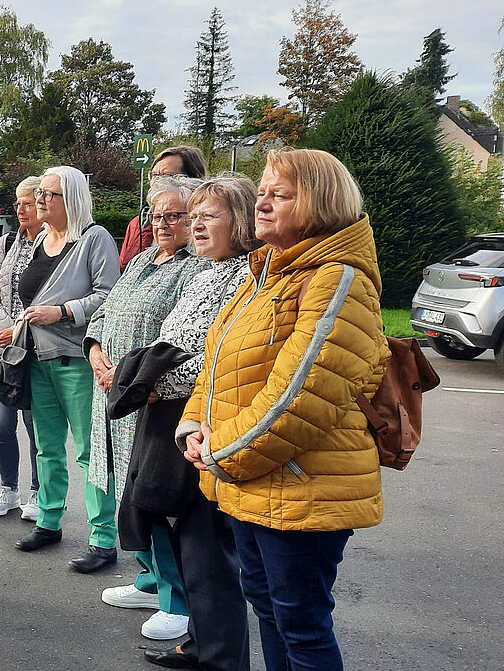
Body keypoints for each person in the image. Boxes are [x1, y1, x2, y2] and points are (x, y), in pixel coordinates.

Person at [179, 149, 389, 671]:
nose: (263, 203)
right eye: (263, 192)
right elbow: (218, 360)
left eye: (281, 194)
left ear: (319, 202)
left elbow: (299, 398)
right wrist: (193, 424)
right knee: (271, 614)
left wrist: (219, 452)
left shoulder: (336, 279)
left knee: (301, 625)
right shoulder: (268, 273)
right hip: (252, 480)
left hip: (300, 486)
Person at [108, 176, 262, 670]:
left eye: (207, 215)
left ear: (239, 221)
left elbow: (222, 359)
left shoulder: (245, 277)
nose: (195, 224)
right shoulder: (204, 272)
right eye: (192, 215)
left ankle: (220, 658)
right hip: (174, 417)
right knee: (186, 542)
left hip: (206, 425)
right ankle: (199, 643)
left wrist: (155, 384)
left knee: (209, 551)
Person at [86, 176, 209, 640]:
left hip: (157, 402)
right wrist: (97, 354)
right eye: (156, 216)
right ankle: (148, 578)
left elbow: (182, 341)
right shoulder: (139, 261)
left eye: (173, 216)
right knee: (126, 490)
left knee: (154, 495)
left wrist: (131, 378)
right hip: (115, 394)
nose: (162, 224)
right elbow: (104, 313)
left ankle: (176, 600)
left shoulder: (194, 270)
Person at [11, 165, 121, 574]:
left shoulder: (95, 239)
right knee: (47, 448)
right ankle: (49, 521)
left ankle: (102, 538)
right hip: (37, 359)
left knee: (90, 453)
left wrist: (62, 311)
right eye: (38, 192)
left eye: (48, 194)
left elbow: (109, 297)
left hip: (77, 361)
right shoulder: (41, 238)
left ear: (71, 198)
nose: (39, 200)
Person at [0, 177, 42, 519]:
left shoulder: (52, 245)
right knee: (2, 423)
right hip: (1, 345)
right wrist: (3, 323)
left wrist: (20, 327)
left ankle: (37, 491)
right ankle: (8, 489)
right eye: (18, 203)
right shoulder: (5, 243)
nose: (21, 209)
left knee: (35, 424)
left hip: (35, 345)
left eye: (28, 203)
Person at [117, 145, 208, 272]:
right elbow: (122, 269)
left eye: (165, 176)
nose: (156, 182)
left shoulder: (206, 242)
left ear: (192, 180)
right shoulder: (137, 224)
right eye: (154, 175)